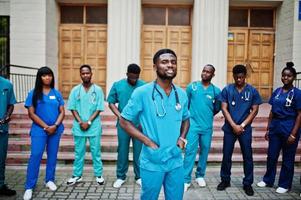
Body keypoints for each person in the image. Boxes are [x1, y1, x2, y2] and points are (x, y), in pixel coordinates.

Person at [119, 49, 190, 200]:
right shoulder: (142, 93)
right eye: (164, 62)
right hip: (153, 160)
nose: (170, 65)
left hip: (175, 160)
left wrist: (182, 138)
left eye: (173, 62)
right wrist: (147, 141)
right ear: (155, 67)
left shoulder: (181, 94)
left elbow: (186, 119)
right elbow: (124, 121)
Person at [217, 64, 262, 196]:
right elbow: (224, 108)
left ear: (245, 77)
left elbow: (255, 110)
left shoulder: (252, 91)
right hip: (230, 128)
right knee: (226, 156)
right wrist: (233, 125)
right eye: (236, 77)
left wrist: (241, 125)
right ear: (233, 76)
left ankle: (247, 183)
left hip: (245, 130)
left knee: (248, 156)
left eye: (241, 77)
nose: (239, 80)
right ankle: (225, 180)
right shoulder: (227, 90)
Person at [257, 62, 301, 194]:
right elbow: (272, 111)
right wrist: (268, 128)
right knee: (271, 155)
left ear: (293, 77)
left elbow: (300, 114)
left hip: (289, 126)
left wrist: (293, 134)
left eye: (288, 76)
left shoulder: (298, 93)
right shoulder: (277, 91)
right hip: (275, 126)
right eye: (283, 76)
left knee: (288, 158)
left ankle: (284, 184)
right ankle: (268, 179)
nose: (285, 78)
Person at [23, 67, 65, 200]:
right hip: (39, 130)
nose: (47, 78)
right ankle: (29, 187)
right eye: (44, 76)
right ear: (39, 77)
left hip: (55, 129)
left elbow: (62, 111)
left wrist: (55, 125)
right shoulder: (33, 93)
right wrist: (47, 127)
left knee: (52, 155)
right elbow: (31, 113)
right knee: (35, 156)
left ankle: (49, 180)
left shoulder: (56, 93)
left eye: (50, 75)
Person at [183, 64, 221, 191]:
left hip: (206, 126)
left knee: (204, 150)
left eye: (208, 72)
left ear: (213, 75)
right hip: (192, 125)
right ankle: (186, 179)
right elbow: (185, 105)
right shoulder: (192, 87)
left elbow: (217, 108)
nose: (205, 73)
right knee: (190, 151)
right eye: (203, 71)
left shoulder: (216, 91)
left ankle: (200, 175)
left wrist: (208, 115)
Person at [107, 63, 145, 188]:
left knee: (139, 152)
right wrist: (120, 116)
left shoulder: (144, 86)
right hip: (123, 125)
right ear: (127, 74)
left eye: (136, 77)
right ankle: (120, 176)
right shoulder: (118, 85)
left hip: (138, 125)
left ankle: (139, 176)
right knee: (122, 150)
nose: (134, 79)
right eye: (132, 77)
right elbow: (111, 102)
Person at [66, 64, 105, 186]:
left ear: (91, 74)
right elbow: (72, 108)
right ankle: (77, 175)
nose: (85, 75)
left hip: (93, 126)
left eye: (87, 73)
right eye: (83, 73)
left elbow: (99, 108)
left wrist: (88, 122)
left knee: (96, 151)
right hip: (79, 127)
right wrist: (80, 122)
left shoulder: (97, 90)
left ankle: (98, 174)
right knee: (79, 152)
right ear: (80, 75)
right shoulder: (75, 90)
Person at [0, 75, 17, 196]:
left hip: (2, 129)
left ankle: (1, 185)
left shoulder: (7, 84)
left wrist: (7, 116)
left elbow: (11, 104)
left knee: (1, 159)